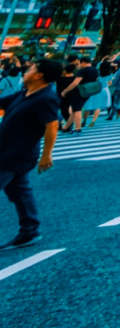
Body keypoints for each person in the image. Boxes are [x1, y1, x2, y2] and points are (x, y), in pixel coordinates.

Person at [0, 60, 61, 248]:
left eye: (30, 69)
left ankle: (30, 230)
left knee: (20, 190)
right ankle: (30, 231)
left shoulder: (46, 98)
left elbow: (52, 126)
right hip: (10, 151)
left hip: (16, 154)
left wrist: (47, 155)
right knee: (20, 191)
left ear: (39, 75)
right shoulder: (25, 94)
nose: (26, 72)